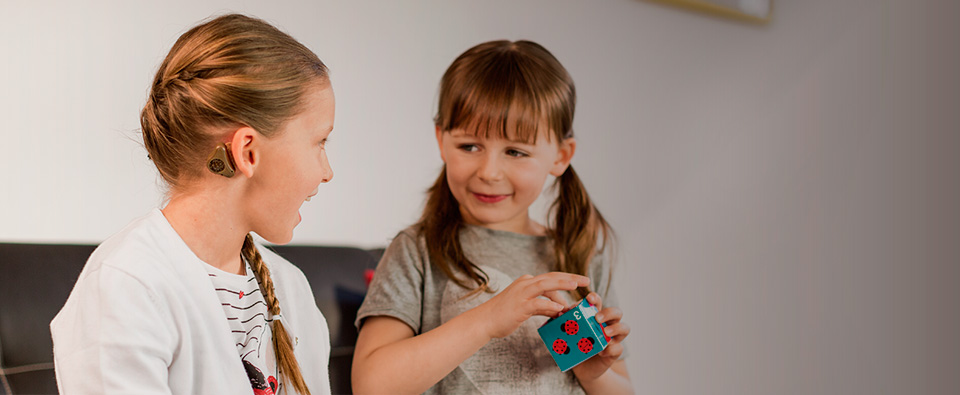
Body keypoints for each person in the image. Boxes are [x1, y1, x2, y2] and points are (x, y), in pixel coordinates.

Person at [50, 14, 335, 395]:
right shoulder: (126, 287)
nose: (326, 172)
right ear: (248, 151)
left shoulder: (290, 288)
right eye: (319, 142)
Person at [352, 40, 632, 394]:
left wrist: (593, 374)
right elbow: (371, 385)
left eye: (515, 151)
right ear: (441, 139)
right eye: (470, 146)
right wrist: (487, 320)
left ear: (561, 156)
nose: (489, 171)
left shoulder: (582, 254)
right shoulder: (415, 251)